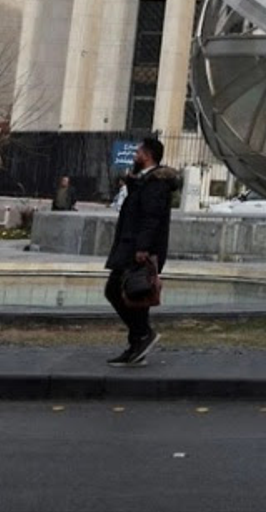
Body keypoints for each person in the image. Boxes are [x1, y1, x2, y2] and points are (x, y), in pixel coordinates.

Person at [104, 136, 175, 367]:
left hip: (138, 249)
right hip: (131, 245)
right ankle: (137, 347)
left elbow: (151, 217)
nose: (134, 155)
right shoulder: (146, 181)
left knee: (115, 289)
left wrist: (143, 248)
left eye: (138, 152)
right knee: (137, 296)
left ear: (148, 155)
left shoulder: (156, 183)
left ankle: (143, 334)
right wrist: (133, 183)